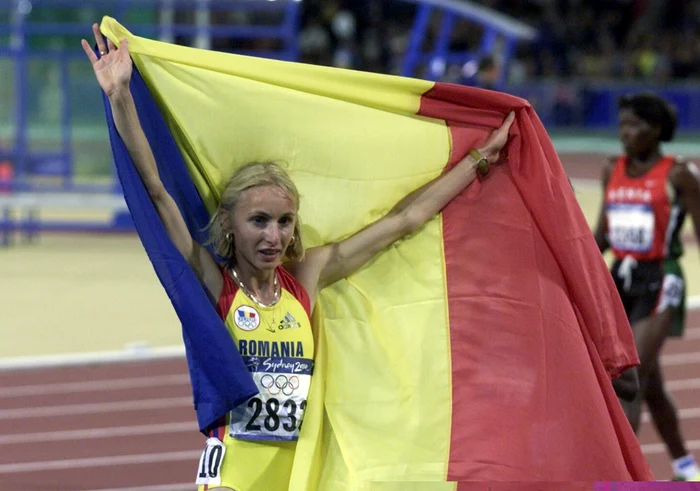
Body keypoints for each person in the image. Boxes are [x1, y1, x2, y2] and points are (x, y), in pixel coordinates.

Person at [81, 24, 514, 491]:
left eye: (285, 222)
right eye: (259, 221)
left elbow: (403, 221)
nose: (274, 236)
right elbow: (157, 191)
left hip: (299, 476)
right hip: (233, 475)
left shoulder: (306, 278)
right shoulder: (215, 283)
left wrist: (478, 161)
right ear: (229, 225)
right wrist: (121, 96)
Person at [593, 92, 700, 481]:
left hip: (662, 278)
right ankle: (686, 467)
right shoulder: (612, 169)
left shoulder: (679, 175)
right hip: (623, 278)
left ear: (656, 131)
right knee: (650, 383)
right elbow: (601, 236)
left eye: (635, 125)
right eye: (622, 124)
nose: (626, 133)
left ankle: (624, 477)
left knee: (629, 377)